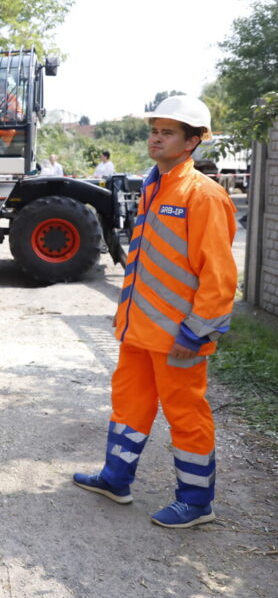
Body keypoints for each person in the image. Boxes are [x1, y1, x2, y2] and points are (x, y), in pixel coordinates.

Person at [72, 95, 237, 528]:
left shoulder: (202, 195)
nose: (156, 139)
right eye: (154, 130)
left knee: (186, 415)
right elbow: (146, 263)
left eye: (168, 132)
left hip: (179, 338)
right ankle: (115, 479)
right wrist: (124, 314)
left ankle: (197, 502)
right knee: (129, 405)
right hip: (140, 332)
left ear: (193, 142)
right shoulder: (154, 186)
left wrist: (197, 333)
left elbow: (219, 276)